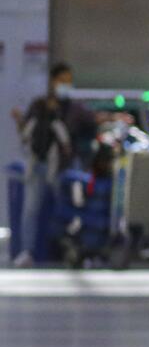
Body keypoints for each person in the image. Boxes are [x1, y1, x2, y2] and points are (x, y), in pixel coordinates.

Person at [12, 63, 78, 265]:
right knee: (31, 209)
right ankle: (27, 252)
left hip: (63, 169)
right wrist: (18, 121)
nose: (66, 85)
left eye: (69, 81)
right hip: (38, 164)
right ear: (53, 81)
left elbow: (74, 135)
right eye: (62, 81)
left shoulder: (73, 108)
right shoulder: (38, 105)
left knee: (66, 210)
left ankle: (68, 249)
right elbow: (26, 133)